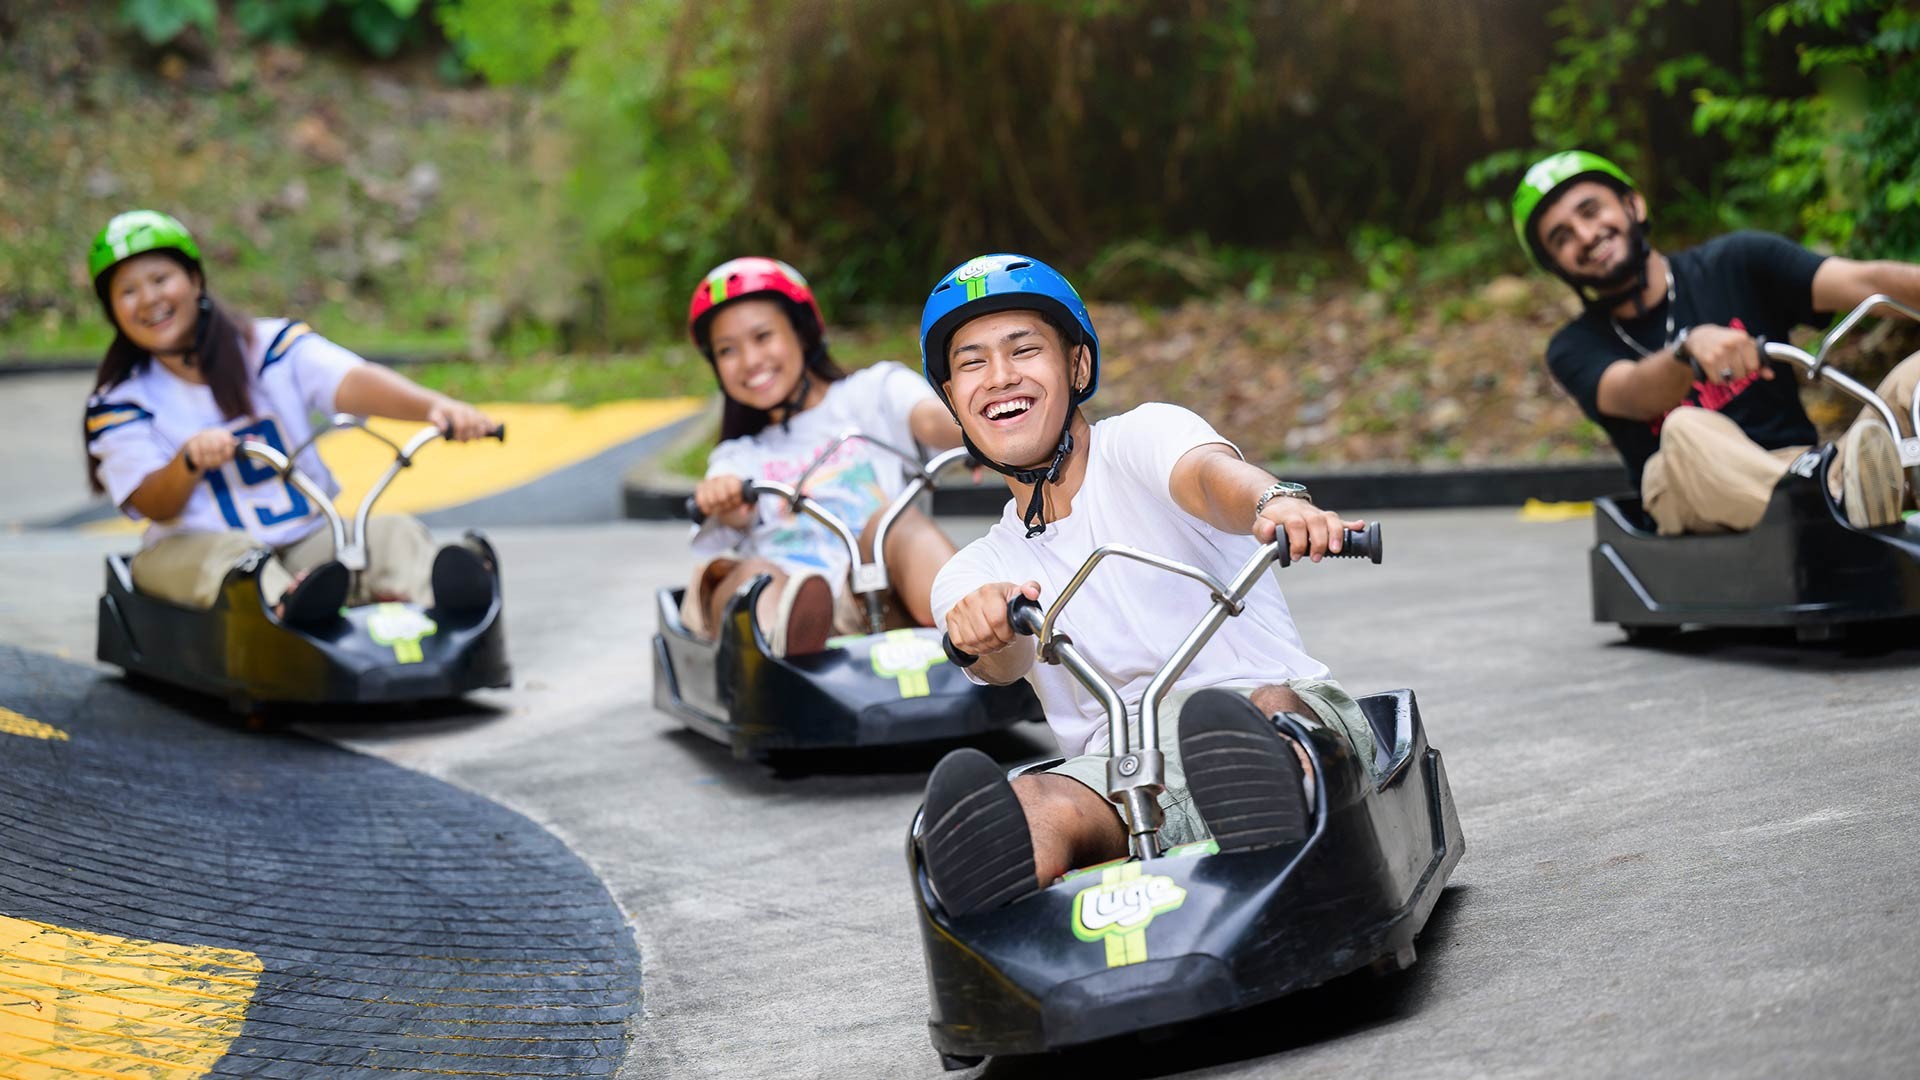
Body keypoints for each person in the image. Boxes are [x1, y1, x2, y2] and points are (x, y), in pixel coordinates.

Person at [913, 253, 1380, 917]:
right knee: (1035, 802)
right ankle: (1007, 903)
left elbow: (1209, 478)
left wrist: (1274, 503)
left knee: (1261, 714)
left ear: (1077, 366)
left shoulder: (1141, 439)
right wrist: (982, 626)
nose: (1000, 377)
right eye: (972, 363)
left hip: (1257, 707)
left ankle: (1278, 826)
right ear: (954, 401)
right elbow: (999, 655)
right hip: (1122, 780)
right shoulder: (974, 570)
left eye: (1024, 350)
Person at [84, 209, 499, 625]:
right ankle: (289, 613)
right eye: (129, 291)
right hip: (191, 551)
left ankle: (442, 608)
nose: (150, 299)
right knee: (239, 564)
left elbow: (351, 380)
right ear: (113, 311)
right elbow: (152, 502)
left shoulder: (270, 347)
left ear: (194, 280)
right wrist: (188, 461)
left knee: (391, 533)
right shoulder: (120, 403)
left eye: (160, 279)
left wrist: (434, 409)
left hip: (303, 537)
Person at [1514, 150, 1920, 535]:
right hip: (1688, 491)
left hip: (1809, 466)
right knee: (1684, 428)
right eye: (1562, 237)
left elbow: (1866, 284)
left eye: (1591, 210)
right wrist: (1687, 349)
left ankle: (1841, 493)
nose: (1585, 235)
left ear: (1633, 205)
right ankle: (1838, 502)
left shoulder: (1737, 263)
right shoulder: (1574, 346)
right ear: (1555, 266)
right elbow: (1633, 393)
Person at [682, 257, 968, 656]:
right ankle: (782, 659)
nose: (749, 361)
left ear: (801, 333)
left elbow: (932, 421)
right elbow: (730, 508)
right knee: (753, 577)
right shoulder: (739, 455)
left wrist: (979, 431)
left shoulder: (872, 393)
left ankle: (974, 629)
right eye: (728, 350)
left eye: (762, 337)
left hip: (876, 598)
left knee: (893, 521)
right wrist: (722, 496)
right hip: (790, 612)